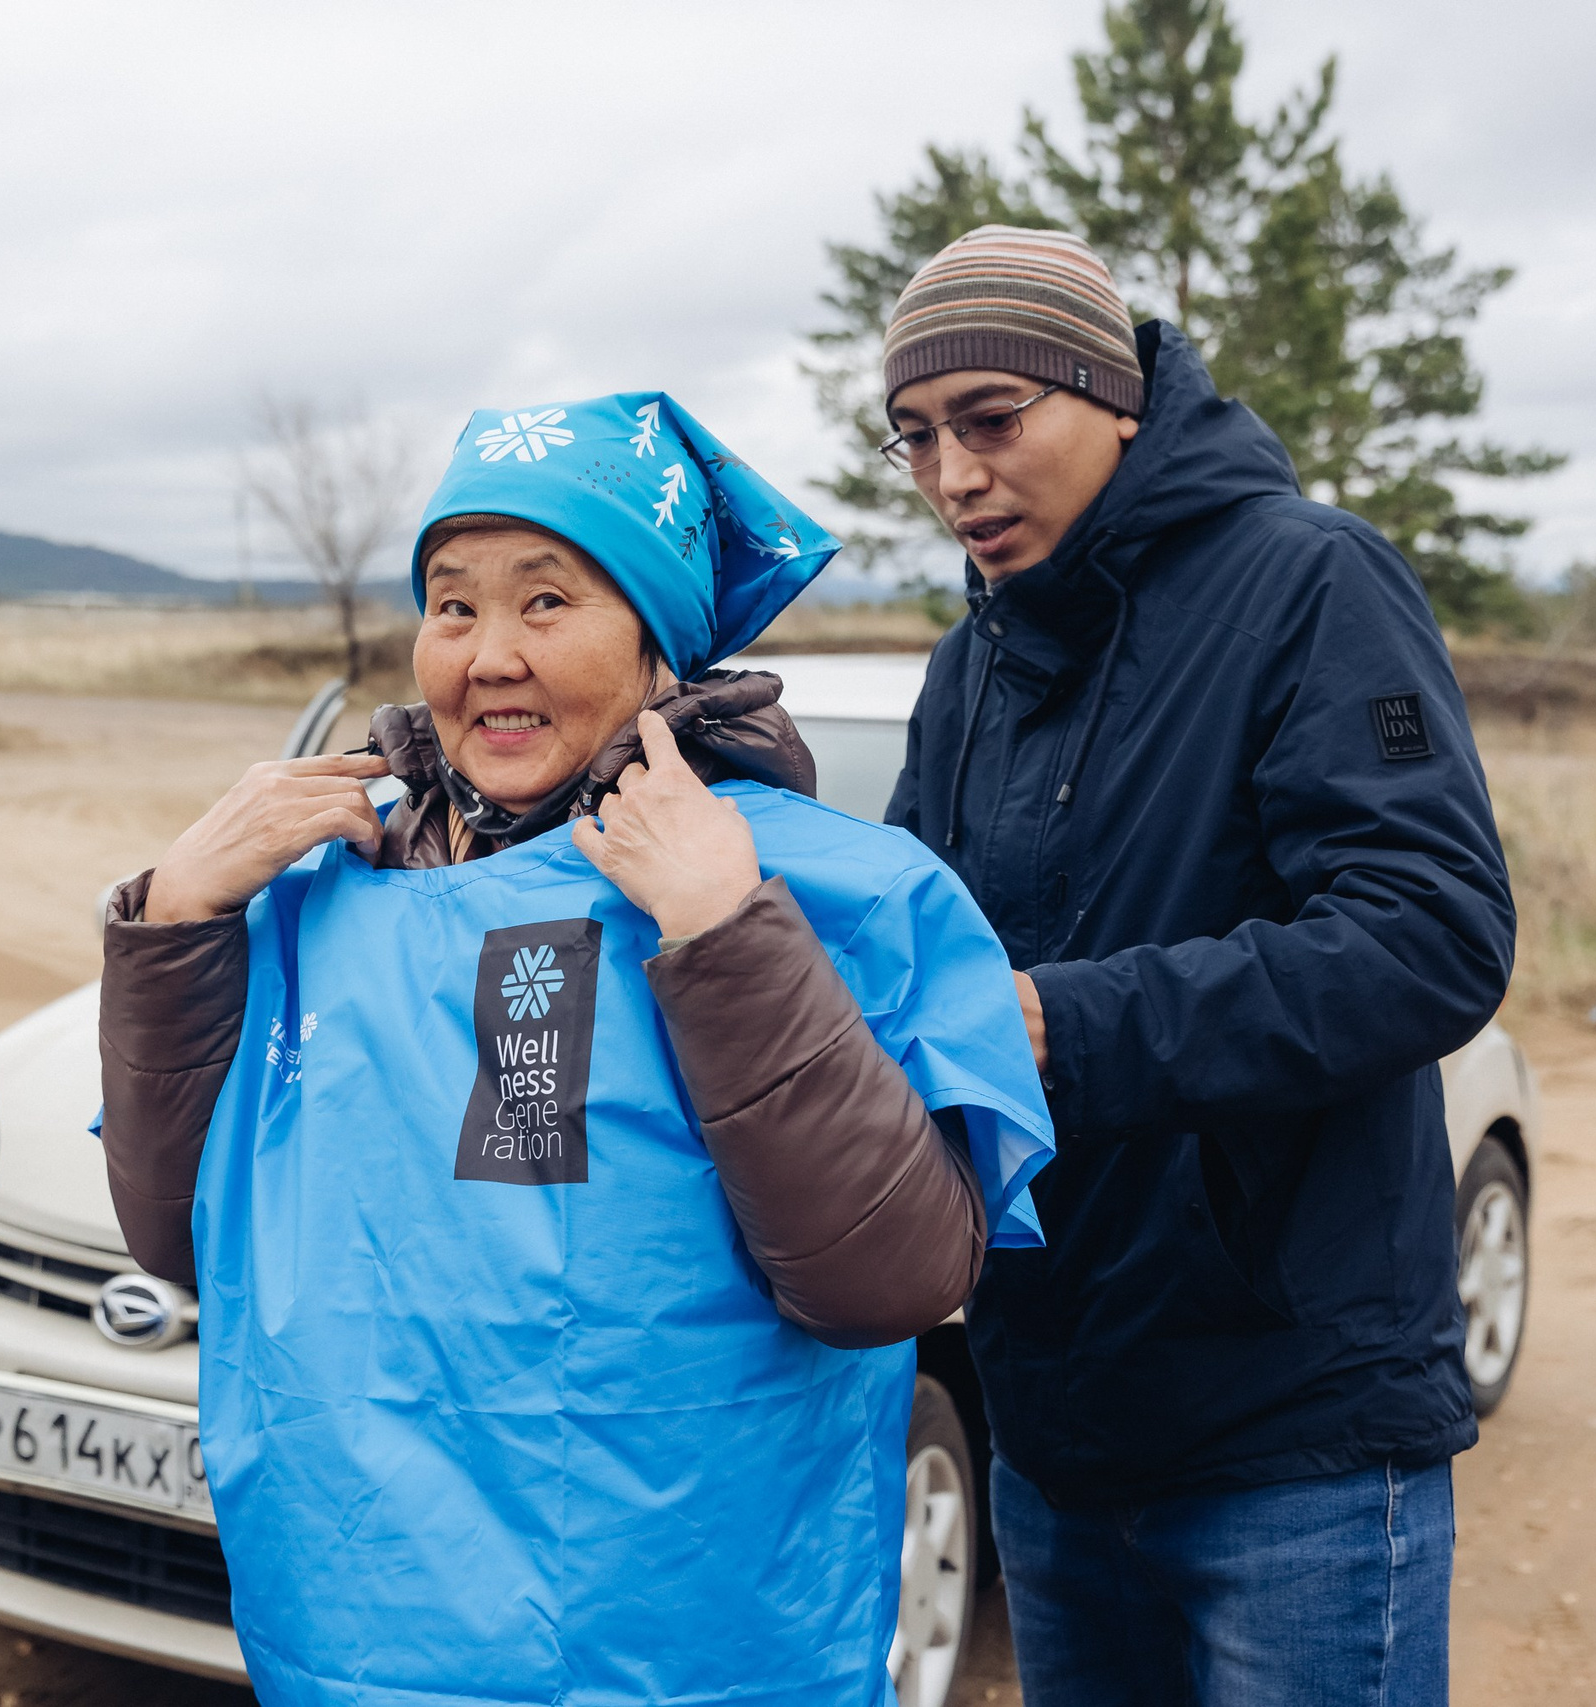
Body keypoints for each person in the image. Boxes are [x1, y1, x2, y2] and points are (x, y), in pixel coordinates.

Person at [97, 392, 1053, 1707]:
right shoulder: (321, 886)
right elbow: (181, 1233)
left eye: (547, 602)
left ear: (658, 638)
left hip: (694, 1653)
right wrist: (175, 919)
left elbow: (887, 1277)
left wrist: (726, 933)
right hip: (356, 1647)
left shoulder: (836, 890)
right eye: (453, 603)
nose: (490, 654)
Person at [879, 225, 1516, 1703]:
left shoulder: (1313, 585)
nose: (953, 475)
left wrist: (1059, 1023)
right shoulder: (969, 667)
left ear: (1113, 395)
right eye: (916, 436)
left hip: (1289, 1421)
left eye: (990, 420)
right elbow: (911, 949)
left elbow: (1431, 934)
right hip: (1056, 1418)